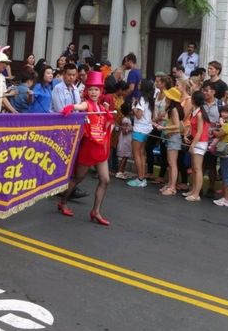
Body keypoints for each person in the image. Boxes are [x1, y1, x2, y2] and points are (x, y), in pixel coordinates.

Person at [57, 71, 114, 224]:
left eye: (96, 89)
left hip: (100, 148)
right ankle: (63, 202)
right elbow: (80, 106)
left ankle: (95, 211)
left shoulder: (102, 107)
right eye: (91, 89)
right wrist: (71, 107)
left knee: (105, 180)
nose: (94, 92)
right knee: (78, 178)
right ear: (87, 91)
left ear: (101, 91)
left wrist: (108, 114)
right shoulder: (87, 104)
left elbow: (106, 127)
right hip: (88, 148)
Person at [154, 86, 184, 196]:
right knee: (171, 163)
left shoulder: (174, 110)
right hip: (170, 137)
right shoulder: (172, 109)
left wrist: (164, 128)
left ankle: (172, 187)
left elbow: (176, 126)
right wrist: (163, 120)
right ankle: (170, 184)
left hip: (174, 138)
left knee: (172, 163)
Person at [127, 79, 155, 188]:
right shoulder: (150, 99)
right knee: (142, 154)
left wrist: (133, 107)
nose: (138, 84)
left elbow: (138, 115)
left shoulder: (142, 99)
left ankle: (140, 178)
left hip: (139, 129)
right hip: (147, 129)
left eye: (140, 84)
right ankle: (142, 177)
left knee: (136, 153)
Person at [183, 90, 210, 202]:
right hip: (196, 141)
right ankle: (193, 190)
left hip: (200, 142)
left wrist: (193, 145)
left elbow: (199, 132)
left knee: (197, 168)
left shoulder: (199, 114)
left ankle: (196, 193)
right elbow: (192, 128)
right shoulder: (196, 112)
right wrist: (187, 135)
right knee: (194, 168)